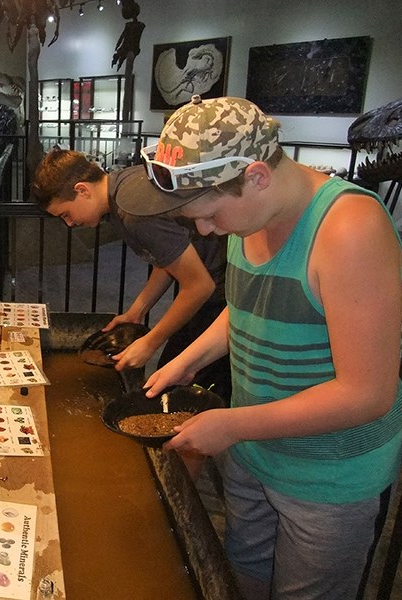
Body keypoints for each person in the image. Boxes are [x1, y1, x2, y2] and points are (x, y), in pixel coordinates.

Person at [133, 95, 402, 600]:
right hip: (254, 448)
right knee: (243, 576)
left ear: (256, 176)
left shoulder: (349, 230)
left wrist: (232, 424)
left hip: (328, 473)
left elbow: (367, 393)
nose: (206, 231)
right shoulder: (249, 215)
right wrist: (187, 360)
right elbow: (248, 305)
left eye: (210, 215)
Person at [31, 148, 231, 400]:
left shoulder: (131, 211)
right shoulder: (124, 184)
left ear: (82, 190)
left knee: (182, 394)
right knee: (168, 380)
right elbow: (168, 259)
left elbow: (199, 286)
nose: (69, 223)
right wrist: (136, 311)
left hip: (222, 292)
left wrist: (149, 344)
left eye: (66, 214)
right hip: (212, 281)